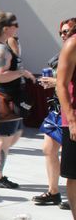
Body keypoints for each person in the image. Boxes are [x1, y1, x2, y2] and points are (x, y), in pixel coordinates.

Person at [0, 13, 35, 189]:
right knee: (3, 139)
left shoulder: (3, 47)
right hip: (0, 97)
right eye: (15, 24)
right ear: (5, 28)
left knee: (14, 134)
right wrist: (22, 73)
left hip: (6, 96)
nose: (17, 27)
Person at [33, 18, 76, 206]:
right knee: (48, 149)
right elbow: (63, 83)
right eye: (61, 32)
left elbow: (64, 83)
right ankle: (53, 191)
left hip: (67, 109)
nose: (64, 35)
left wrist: (54, 82)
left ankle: (67, 195)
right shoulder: (66, 49)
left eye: (67, 31)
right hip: (59, 109)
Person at [56, 23, 76, 220]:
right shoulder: (73, 44)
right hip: (74, 119)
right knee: (74, 176)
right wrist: (71, 119)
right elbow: (61, 84)